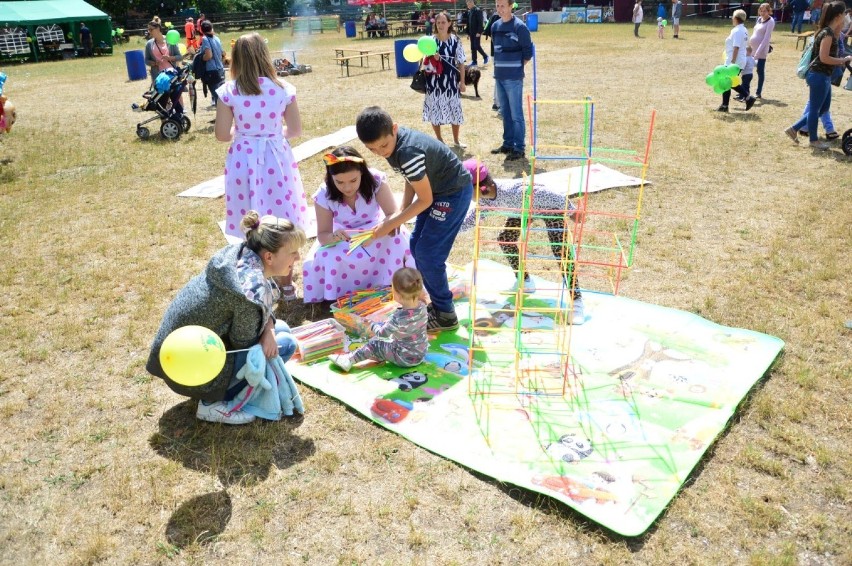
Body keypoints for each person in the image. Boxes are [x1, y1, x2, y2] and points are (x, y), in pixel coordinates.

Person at [146, 211, 306, 425]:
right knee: (284, 345)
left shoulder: (243, 254)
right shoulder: (249, 292)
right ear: (269, 256)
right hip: (188, 372)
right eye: (293, 252)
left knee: (281, 330)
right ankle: (212, 403)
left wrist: (268, 329)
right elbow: (244, 342)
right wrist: (268, 333)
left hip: (177, 357)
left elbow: (260, 314)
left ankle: (219, 391)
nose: (297, 258)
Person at [356, 106, 473, 333]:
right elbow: (412, 179)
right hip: (436, 192)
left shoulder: (407, 152)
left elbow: (425, 199)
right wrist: (400, 213)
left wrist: (391, 223)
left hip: (452, 193)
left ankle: (446, 313)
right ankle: (436, 305)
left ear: (394, 129)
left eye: (383, 145)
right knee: (416, 246)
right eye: (372, 149)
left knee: (429, 255)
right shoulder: (394, 147)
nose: (380, 152)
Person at [215, 33, 309, 299]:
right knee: (282, 215)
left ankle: (255, 281)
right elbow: (296, 129)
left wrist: (244, 132)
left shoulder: (229, 91)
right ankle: (287, 283)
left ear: (237, 59)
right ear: (265, 56)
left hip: (243, 158)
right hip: (276, 158)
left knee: (250, 218)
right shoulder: (283, 89)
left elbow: (222, 135)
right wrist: (272, 135)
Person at [460, 160, 585, 323]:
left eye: (466, 190)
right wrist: (450, 229)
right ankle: (525, 281)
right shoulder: (484, 201)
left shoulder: (515, 192)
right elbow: (471, 219)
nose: (464, 194)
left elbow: (550, 194)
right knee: (506, 239)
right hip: (521, 210)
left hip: (547, 206)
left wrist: (572, 211)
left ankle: (577, 301)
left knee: (560, 250)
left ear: (482, 188)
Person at [301, 146, 414, 304]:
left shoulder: (375, 181)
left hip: (378, 228)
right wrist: (333, 237)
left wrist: (375, 234)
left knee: (395, 238)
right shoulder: (324, 194)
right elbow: (323, 235)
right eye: (339, 182)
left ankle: (389, 284)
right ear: (330, 178)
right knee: (328, 255)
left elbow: (393, 215)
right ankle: (340, 295)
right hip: (345, 238)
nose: (347, 188)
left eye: (353, 180)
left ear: (362, 172)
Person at [329, 267, 428, 372]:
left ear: (397, 295)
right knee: (389, 342)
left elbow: (382, 333)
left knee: (375, 344)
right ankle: (380, 355)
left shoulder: (398, 317)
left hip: (403, 358)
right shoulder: (423, 307)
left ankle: (348, 360)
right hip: (419, 355)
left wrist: (372, 324)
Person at [785, 2, 852, 149]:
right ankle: (813, 140)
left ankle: (794, 129)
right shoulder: (827, 34)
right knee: (815, 109)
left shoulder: (830, 32)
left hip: (823, 75)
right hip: (819, 75)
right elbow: (824, 58)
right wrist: (843, 60)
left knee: (822, 108)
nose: (846, 17)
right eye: (844, 15)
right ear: (839, 15)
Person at [490, 0, 533, 162]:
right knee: (505, 113)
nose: (500, 9)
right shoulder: (495, 27)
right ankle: (507, 143)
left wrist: (515, 67)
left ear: (510, 6)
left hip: (514, 78)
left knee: (516, 114)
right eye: (497, 5)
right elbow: (497, 49)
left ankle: (519, 147)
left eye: (503, 5)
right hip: (499, 76)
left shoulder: (519, 27)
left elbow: (528, 52)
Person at [423, 12, 468, 148]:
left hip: (451, 82)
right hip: (434, 83)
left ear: (449, 23)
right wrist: (432, 58)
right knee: (435, 111)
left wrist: (462, 81)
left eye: (443, 22)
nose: (441, 25)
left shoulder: (456, 40)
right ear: (435, 25)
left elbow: (461, 63)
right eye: (438, 23)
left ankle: (456, 140)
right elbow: (425, 65)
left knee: (455, 111)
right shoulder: (430, 41)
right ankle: (440, 140)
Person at [718, 10, 757, 112]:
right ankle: (725, 105)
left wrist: (732, 62)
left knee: (727, 82)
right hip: (739, 60)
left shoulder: (737, 31)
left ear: (735, 18)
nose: (731, 18)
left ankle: (748, 97)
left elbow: (736, 47)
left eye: (732, 17)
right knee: (728, 82)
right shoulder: (743, 29)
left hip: (735, 61)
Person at [750, 3, 775, 98]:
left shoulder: (771, 21)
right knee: (748, 70)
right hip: (752, 49)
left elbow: (766, 39)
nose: (762, 13)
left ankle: (758, 92)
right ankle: (745, 90)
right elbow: (755, 33)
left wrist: (757, 52)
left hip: (761, 51)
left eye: (765, 11)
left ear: (769, 11)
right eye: (761, 10)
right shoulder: (759, 19)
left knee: (760, 71)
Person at [199, 20, 225, 108]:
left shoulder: (205, 39)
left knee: (217, 96)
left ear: (201, 30)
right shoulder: (216, 38)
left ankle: (221, 117)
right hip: (220, 69)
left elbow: (209, 55)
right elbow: (223, 53)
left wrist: (200, 58)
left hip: (212, 71)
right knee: (223, 95)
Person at [482, 8, 502, 111]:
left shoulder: (495, 16)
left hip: (500, 53)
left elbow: (487, 30)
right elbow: (487, 30)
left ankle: (497, 102)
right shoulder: (495, 17)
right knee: (500, 78)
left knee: (500, 78)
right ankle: (498, 103)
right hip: (497, 53)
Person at [466, 0, 489, 66]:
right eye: (467, 4)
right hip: (471, 32)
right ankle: (474, 62)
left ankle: (485, 56)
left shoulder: (478, 10)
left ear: (472, 3)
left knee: (477, 46)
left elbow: (480, 22)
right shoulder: (469, 12)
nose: (468, 5)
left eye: (468, 4)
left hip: (476, 32)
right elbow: (468, 23)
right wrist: (468, 33)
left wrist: (479, 32)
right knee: (472, 47)